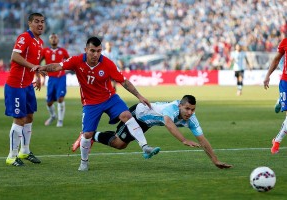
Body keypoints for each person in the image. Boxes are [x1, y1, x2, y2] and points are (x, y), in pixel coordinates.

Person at [31, 36, 160, 171]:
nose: (96, 54)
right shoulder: (76, 60)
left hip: (110, 98)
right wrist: (43, 67)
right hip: (90, 103)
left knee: (127, 115)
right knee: (87, 134)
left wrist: (139, 96)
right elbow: (58, 66)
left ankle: (145, 147)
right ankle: (84, 162)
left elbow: (124, 81)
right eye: (92, 51)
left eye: (99, 51)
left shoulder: (107, 63)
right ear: (86, 49)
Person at [75, 95, 232, 169]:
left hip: (146, 123)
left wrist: (215, 160)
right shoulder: (170, 109)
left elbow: (202, 139)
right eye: (187, 109)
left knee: (120, 144)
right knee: (118, 143)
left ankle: (92, 135)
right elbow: (169, 124)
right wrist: (184, 140)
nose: (190, 112)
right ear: (180, 106)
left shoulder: (192, 118)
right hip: (137, 115)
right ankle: (90, 135)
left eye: (192, 110)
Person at [4, 13, 45, 166]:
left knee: (29, 117)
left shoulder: (40, 42)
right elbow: (14, 56)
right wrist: (32, 67)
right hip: (16, 85)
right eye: (36, 21)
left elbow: (34, 63)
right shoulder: (24, 37)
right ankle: (12, 156)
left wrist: (38, 76)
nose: (40, 24)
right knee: (19, 119)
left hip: (27, 85)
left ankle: (25, 151)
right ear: (29, 23)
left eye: (42, 22)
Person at [263, 37, 287, 154]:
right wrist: (267, 75)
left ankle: (276, 141)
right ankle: (276, 142)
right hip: (286, 83)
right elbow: (276, 59)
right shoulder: (285, 42)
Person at [41, 33, 70, 127]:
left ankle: (60, 120)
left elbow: (69, 61)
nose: (54, 39)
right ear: (49, 40)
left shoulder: (63, 51)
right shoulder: (45, 51)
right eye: (52, 38)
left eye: (55, 38)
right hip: (51, 79)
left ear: (58, 40)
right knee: (49, 102)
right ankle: (53, 116)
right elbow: (37, 62)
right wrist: (40, 72)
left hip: (61, 77)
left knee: (60, 98)